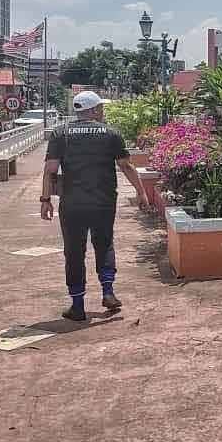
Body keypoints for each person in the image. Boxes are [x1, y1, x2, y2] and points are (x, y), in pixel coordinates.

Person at [40, 91, 149, 321]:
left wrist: (45, 200)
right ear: (93, 110)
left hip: (72, 204)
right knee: (104, 244)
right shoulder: (111, 133)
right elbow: (126, 166)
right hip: (103, 201)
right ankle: (108, 292)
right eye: (101, 108)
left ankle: (78, 305)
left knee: (74, 251)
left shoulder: (61, 134)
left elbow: (50, 170)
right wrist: (141, 192)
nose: (103, 111)